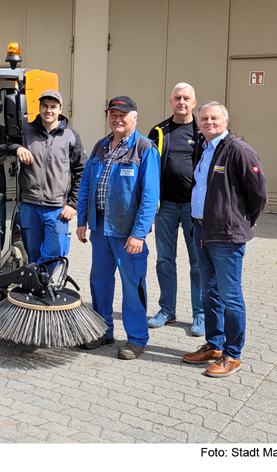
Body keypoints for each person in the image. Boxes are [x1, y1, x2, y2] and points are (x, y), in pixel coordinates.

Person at [183, 102, 267, 377]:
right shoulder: (205, 148)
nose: (208, 122)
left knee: (230, 296)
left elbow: (258, 194)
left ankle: (232, 354)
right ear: (198, 121)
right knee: (209, 292)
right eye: (204, 118)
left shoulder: (239, 150)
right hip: (201, 231)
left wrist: (243, 221)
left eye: (214, 117)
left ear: (226, 120)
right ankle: (214, 345)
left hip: (226, 235)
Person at [76, 96, 160, 360]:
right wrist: (81, 220)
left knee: (132, 285)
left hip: (127, 234)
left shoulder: (145, 149)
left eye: (122, 114)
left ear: (134, 117)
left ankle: (136, 339)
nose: (117, 118)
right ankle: (103, 331)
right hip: (100, 229)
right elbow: (86, 185)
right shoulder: (101, 146)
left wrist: (138, 233)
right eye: (112, 114)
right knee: (99, 283)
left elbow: (150, 196)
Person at [147, 83, 204, 336]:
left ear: (194, 103)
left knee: (198, 263)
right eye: (177, 98)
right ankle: (167, 309)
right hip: (165, 207)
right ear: (171, 102)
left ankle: (200, 313)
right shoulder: (159, 131)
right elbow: (147, 168)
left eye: (186, 98)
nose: (182, 102)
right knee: (164, 260)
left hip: (195, 210)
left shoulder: (203, 131)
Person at [9, 89, 86, 264]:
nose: (48, 110)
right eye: (44, 106)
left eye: (53, 106)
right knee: (32, 254)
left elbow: (81, 172)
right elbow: (7, 143)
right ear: (39, 107)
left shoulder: (71, 136)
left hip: (57, 209)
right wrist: (18, 148)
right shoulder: (25, 131)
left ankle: (45, 284)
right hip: (30, 205)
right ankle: (36, 287)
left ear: (60, 109)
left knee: (55, 254)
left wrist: (73, 204)